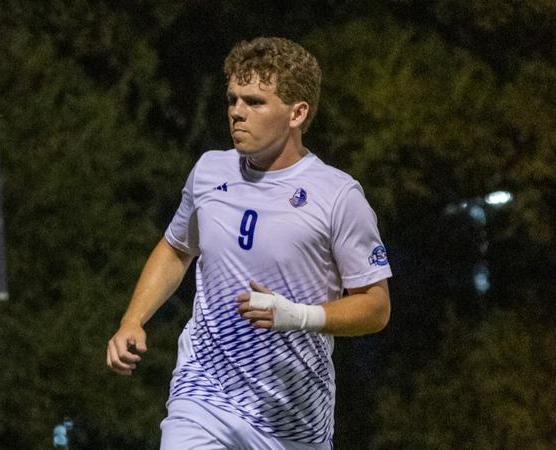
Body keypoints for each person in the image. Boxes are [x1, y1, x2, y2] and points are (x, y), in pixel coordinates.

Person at [107, 36, 392, 449]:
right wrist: (132, 320)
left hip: (292, 417)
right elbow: (177, 248)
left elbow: (376, 306)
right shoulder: (209, 171)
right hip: (203, 395)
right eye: (232, 100)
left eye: (255, 102)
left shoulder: (338, 196)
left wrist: (298, 316)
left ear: (297, 113)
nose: (237, 112)